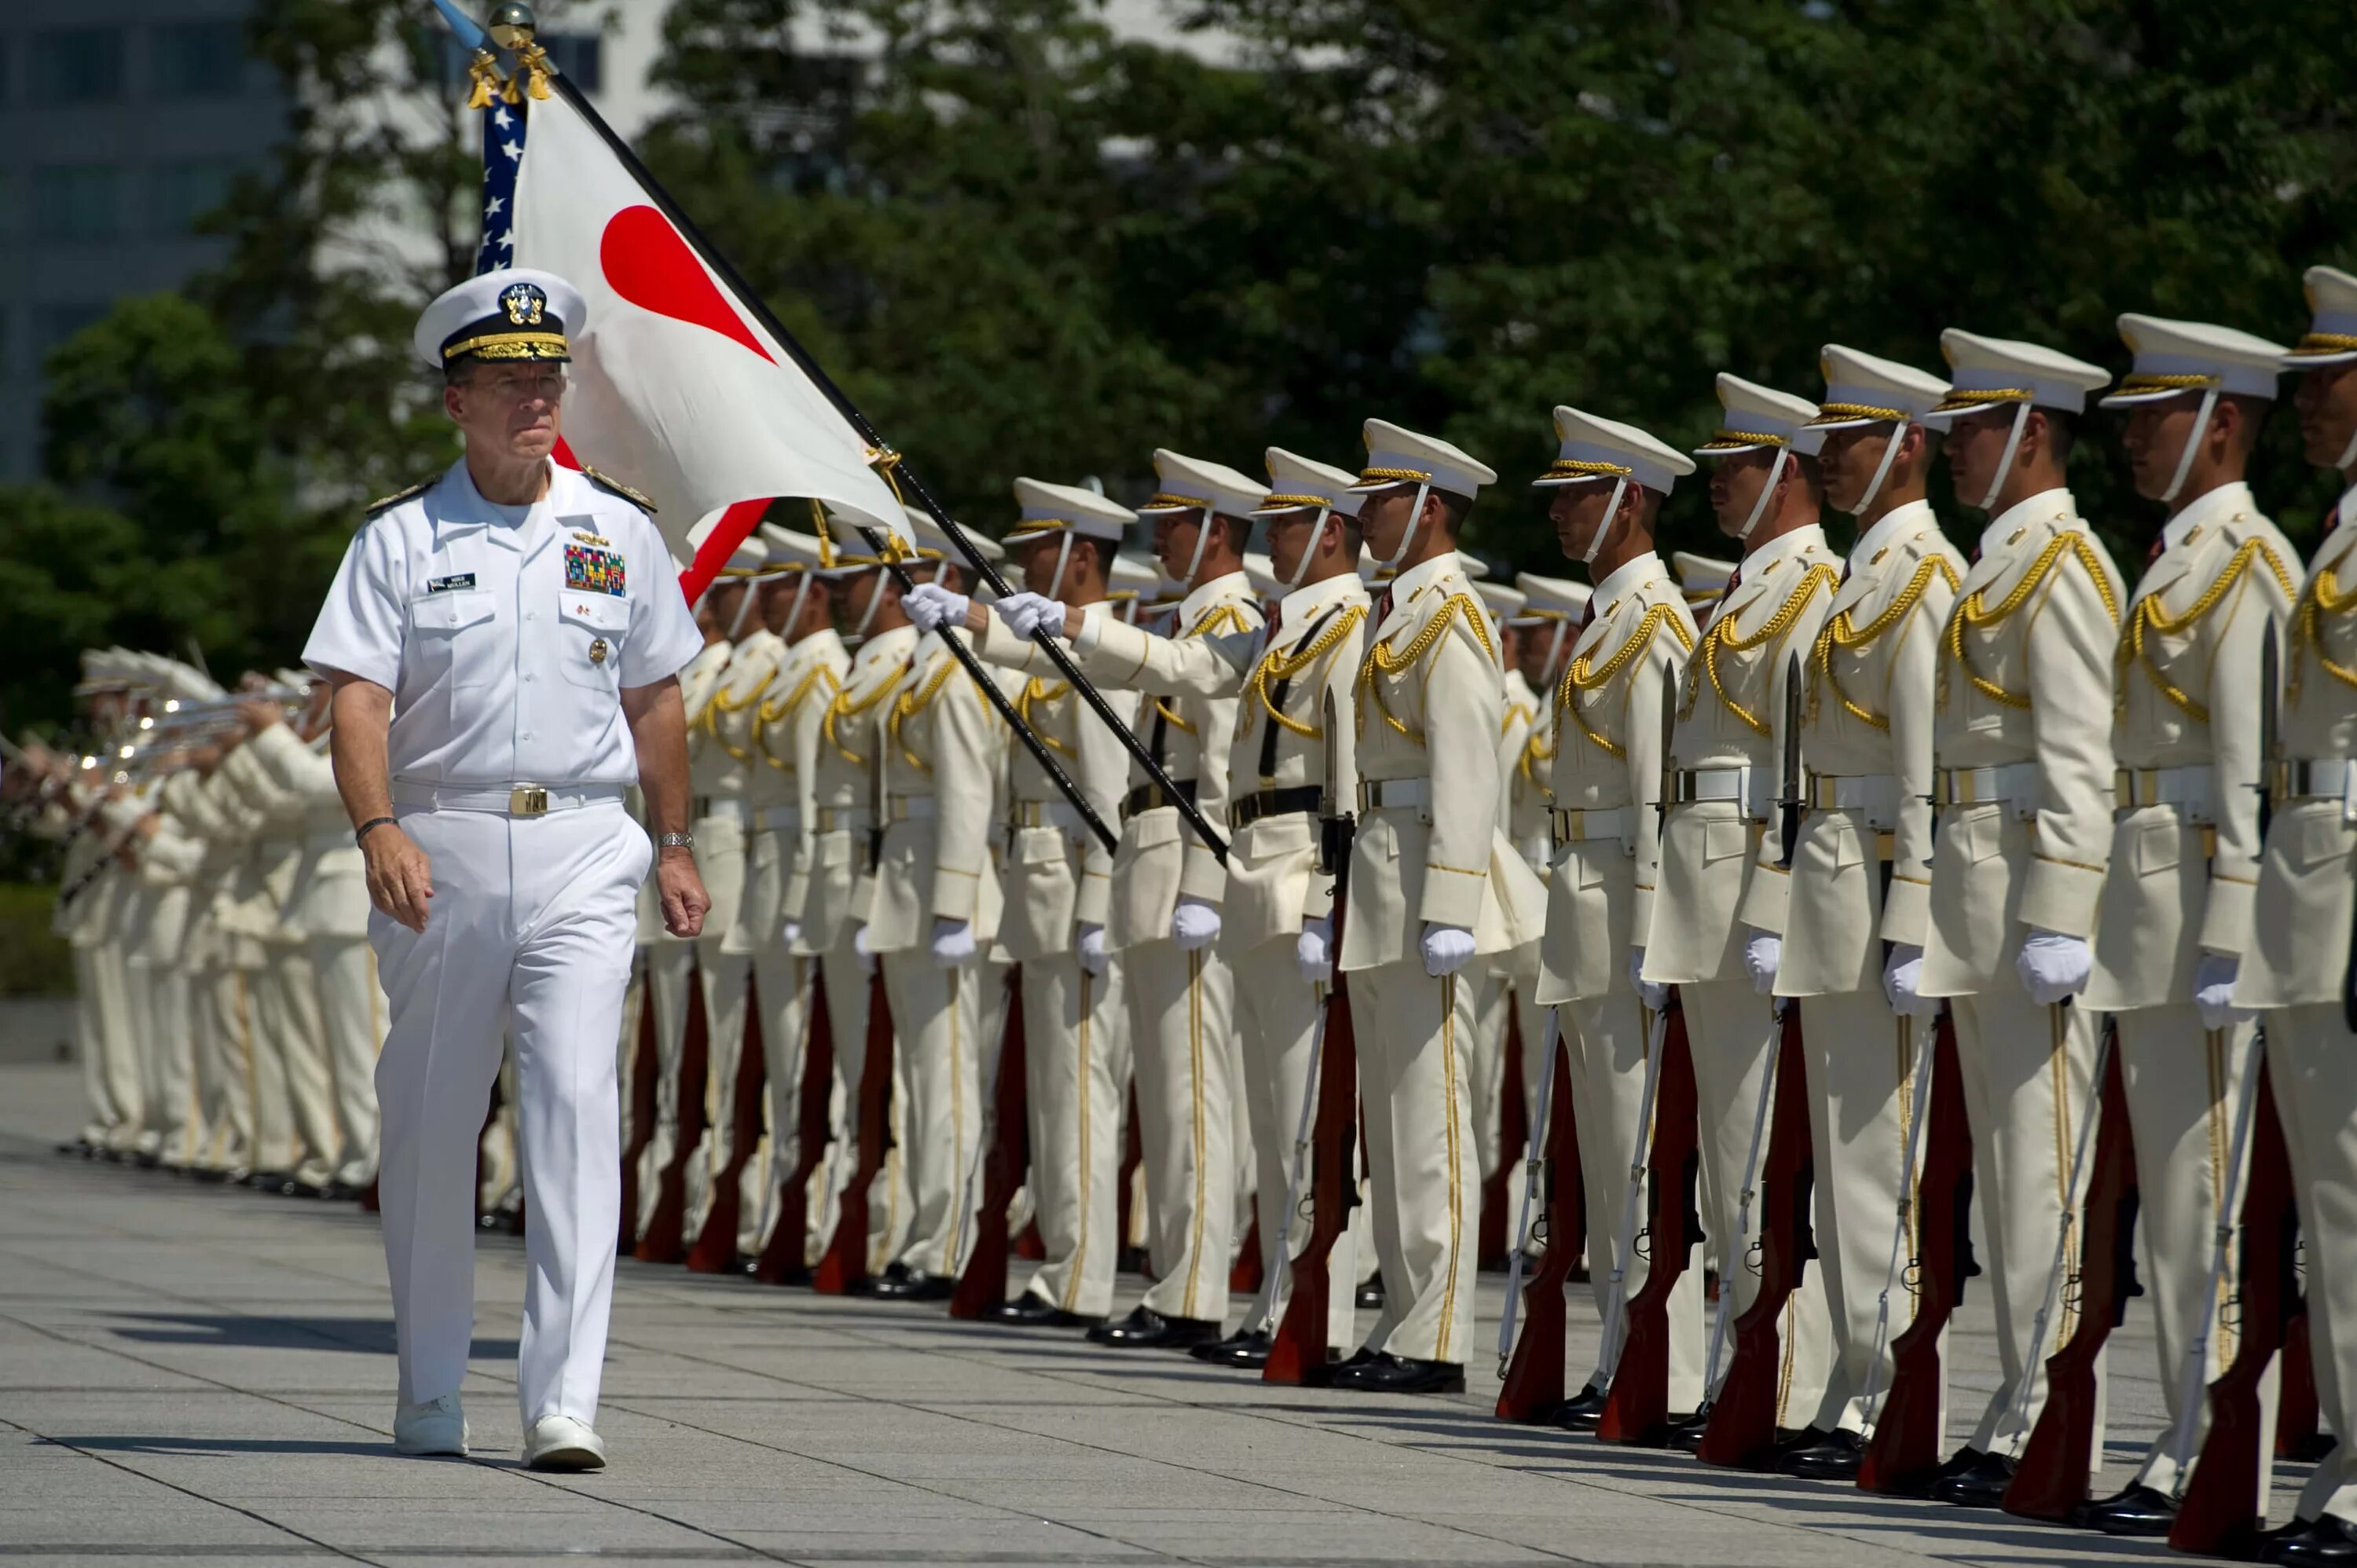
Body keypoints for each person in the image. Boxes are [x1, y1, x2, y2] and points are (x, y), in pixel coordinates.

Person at [302, 268, 708, 1470]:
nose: (539, 404)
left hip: (588, 843)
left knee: (578, 1107)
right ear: (455, 402)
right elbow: (361, 701)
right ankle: (431, 1389)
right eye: (513, 385)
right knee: (432, 1120)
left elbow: (657, 696)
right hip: (446, 847)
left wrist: (676, 844)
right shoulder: (399, 537)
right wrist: (379, 828)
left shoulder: (617, 529)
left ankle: (561, 1400)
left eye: (551, 382)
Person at [2071, 314, 2300, 1535]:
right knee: (2168, 1196)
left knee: (2207, 1190)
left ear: (2219, 426)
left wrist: (2237, 927)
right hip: (2142, 894)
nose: (2130, 440)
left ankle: (2215, 1449)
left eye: (2150, 417)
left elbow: (2257, 763)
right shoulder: (2168, 559)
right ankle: (2176, 1439)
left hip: (2201, 895)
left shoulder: (2249, 562)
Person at [1915, 328, 2122, 1506]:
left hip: (2028, 897)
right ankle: (2014, 1406)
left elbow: (2080, 753)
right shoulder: (2000, 567)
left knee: (2043, 1168)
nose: (1952, 451)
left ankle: (2051, 1410)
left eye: (1973, 430)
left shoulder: (2067, 568)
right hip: (1975, 890)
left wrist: (2062, 908)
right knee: (2005, 1176)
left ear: (2031, 434)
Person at [1764, 347, 1964, 1477]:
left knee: (1884, 1150)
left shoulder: (1925, 575)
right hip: (1833, 875)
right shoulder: (1859, 576)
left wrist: (1916, 912)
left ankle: (1890, 1386)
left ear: (1904, 447)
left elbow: (1928, 759)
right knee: (1846, 1155)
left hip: (1883, 879)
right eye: (1830, 442)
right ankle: (1854, 1378)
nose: (1830, 461)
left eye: (1848, 442)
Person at [1646, 374, 1841, 1447]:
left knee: (1776, 1154)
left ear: (1785, 474)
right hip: (1698, 889)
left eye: (1734, 471)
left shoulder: (1812, 588)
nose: (1717, 488)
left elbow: (1798, 769)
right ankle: (1746, 1367)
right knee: (1729, 1154)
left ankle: (1795, 1385)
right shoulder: (1743, 590)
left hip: (1748, 893)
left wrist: (1775, 902)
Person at [910, 477, 1141, 1324]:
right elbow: (1026, 657)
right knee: (1053, 1095)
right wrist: (965, 617)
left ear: (1081, 557)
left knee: (1080, 1095)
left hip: (1075, 894)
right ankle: (1065, 1262)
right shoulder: (1064, 646)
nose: (1025, 564)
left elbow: (1110, 795)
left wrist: (1096, 906)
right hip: (1036, 892)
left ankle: (1080, 1276)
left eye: (1040, 550)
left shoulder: (1108, 647)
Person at [1332, 419, 1531, 1394]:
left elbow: (1466, 766)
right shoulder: (1398, 612)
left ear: (1429, 508)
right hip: (1380, 870)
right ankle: (1404, 1317)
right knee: (1391, 1117)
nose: (1364, 511)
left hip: (1421, 882)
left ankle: (1437, 1333)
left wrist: (1451, 900)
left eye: (1381, 496)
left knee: (1432, 1118)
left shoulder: (1451, 614)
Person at [1526, 405, 1706, 1429]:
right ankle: (1617, 1360)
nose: (1561, 513)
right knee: (1601, 1156)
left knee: (1640, 1156)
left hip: (1621, 912)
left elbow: (1654, 800)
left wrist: (1650, 934)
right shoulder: (1607, 622)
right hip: (1579, 907)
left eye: (1579, 496)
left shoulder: (1656, 627)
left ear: (1628, 502)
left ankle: (1659, 1370)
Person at [2238, 262, 2357, 1568]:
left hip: (2349, 878)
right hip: (2313, 874)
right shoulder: (2336, 527)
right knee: (2332, 1199)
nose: (2309, 403)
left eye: (2329, 380)